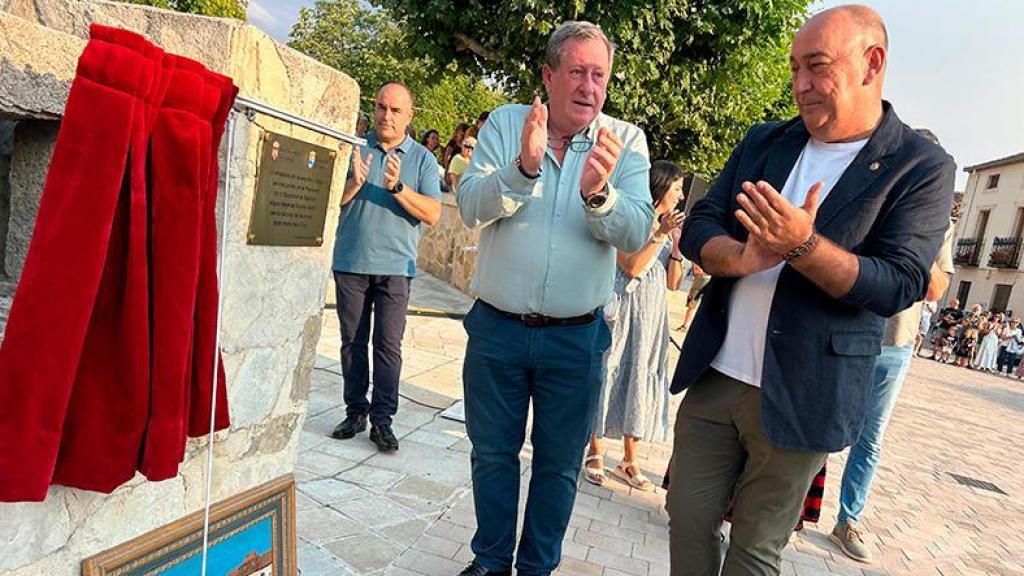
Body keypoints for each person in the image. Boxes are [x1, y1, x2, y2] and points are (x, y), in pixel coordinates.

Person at [667, 6, 954, 576]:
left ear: (872, 63)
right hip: (717, 374)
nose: (800, 85)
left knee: (755, 551)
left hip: (804, 392)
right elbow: (701, 224)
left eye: (817, 67)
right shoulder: (764, 141)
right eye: (795, 67)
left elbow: (897, 283)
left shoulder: (920, 168)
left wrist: (803, 245)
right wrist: (743, 256)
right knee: (686, 518)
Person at [455, 20, 654, 576]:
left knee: (559, 467)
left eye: (599, 75)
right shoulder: (506, 124)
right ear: (548, 75)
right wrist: (523, 168)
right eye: (577, 72)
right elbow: (471, 206)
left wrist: (600, 194)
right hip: (497, 329)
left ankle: (536, 568)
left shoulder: (626, 143)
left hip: (576, 339)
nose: (589, 87)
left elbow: (638, 232)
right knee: (492, 456)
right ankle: (491, 561)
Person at [830, 215, 954, 563]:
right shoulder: (878, 196)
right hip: (845, 329)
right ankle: (790, 510)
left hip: (895, 342)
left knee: (870, 439)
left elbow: (935, 288)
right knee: (819, 422)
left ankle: (847, 521)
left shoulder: (940, 222)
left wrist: (918, 241)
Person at [329, 83, 442, 452]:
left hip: (396, 267)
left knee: (387, 346)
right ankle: (355, 412)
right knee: (352, 343)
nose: (386, 116)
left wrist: (397, 188)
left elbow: (434, 213)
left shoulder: (423, 159)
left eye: (395, 110)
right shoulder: (355, 148)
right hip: (351, 262)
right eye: (381, 107)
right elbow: (332, 203)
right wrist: (354, 182)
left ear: (409, 117)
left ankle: (382, 421)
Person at [583, 160, 686, 491]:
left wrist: (677, 250)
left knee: (641, 375)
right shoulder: (633, 220)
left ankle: (630, 458)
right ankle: (595, 450)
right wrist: (659, 234)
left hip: (653, 314)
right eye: (677, 189)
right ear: (660, 189)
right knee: (611, 370)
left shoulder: (668, 226)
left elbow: (673, 283)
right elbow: (632, 267)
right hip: (624, 309)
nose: (682, 196)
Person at [680, 264, 710, 332]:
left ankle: (685, 326)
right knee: (692, 304)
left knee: (692, 304)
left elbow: (699, 270)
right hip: (699, 279)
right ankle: (685, 325)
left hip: (702, 279)